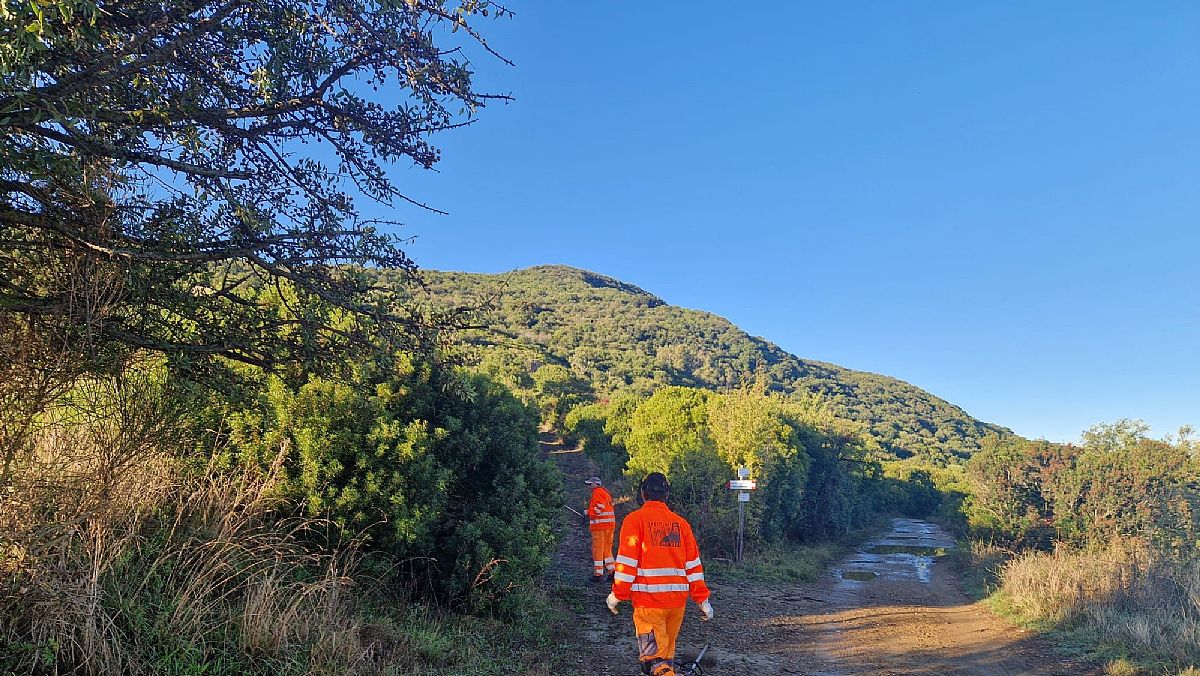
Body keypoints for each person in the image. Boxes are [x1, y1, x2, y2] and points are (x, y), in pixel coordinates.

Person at [606, 472, 713, 676]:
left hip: (649, 604)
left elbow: (627, 565)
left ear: (643, 493)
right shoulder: (681, 524)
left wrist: (616, 596)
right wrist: (702, 601)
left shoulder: (634, 521)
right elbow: (694, 567)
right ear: (666, 494)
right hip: (676, 605)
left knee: (653, 662)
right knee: (665, 660)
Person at [584, 476, 616, 580]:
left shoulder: (597, 493)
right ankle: (612, 571)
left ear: (596, 484)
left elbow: (599, 508)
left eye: (590, 484)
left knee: (597, 549)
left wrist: (588, 512)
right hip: (609, 526)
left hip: (600, 526)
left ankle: (598, 574)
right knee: (607, 549)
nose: (589, 486)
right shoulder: (605, 493)